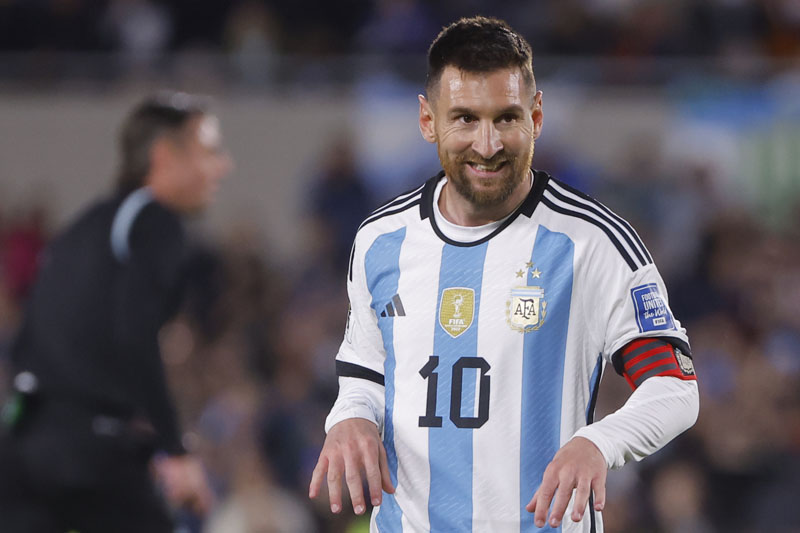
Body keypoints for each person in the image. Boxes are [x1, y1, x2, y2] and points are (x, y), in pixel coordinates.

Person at [309, 16, 699, 532]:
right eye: (465, 119)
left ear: (536, 117)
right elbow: (365, 373)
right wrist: (350, 418)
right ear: (428, 121)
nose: (488, 144)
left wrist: (598, 443)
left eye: (506, 118)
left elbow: (674, 386)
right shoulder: (380, 241)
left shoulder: (592, 243)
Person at [0, 91, 232, 533]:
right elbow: (134, 335)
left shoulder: (82, 227)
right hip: (87, 447)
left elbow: (33, 337)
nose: (223, 166)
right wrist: (175, 451)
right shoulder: (155, 219)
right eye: (208, 152)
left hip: (21, 444)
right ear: (164, 157)